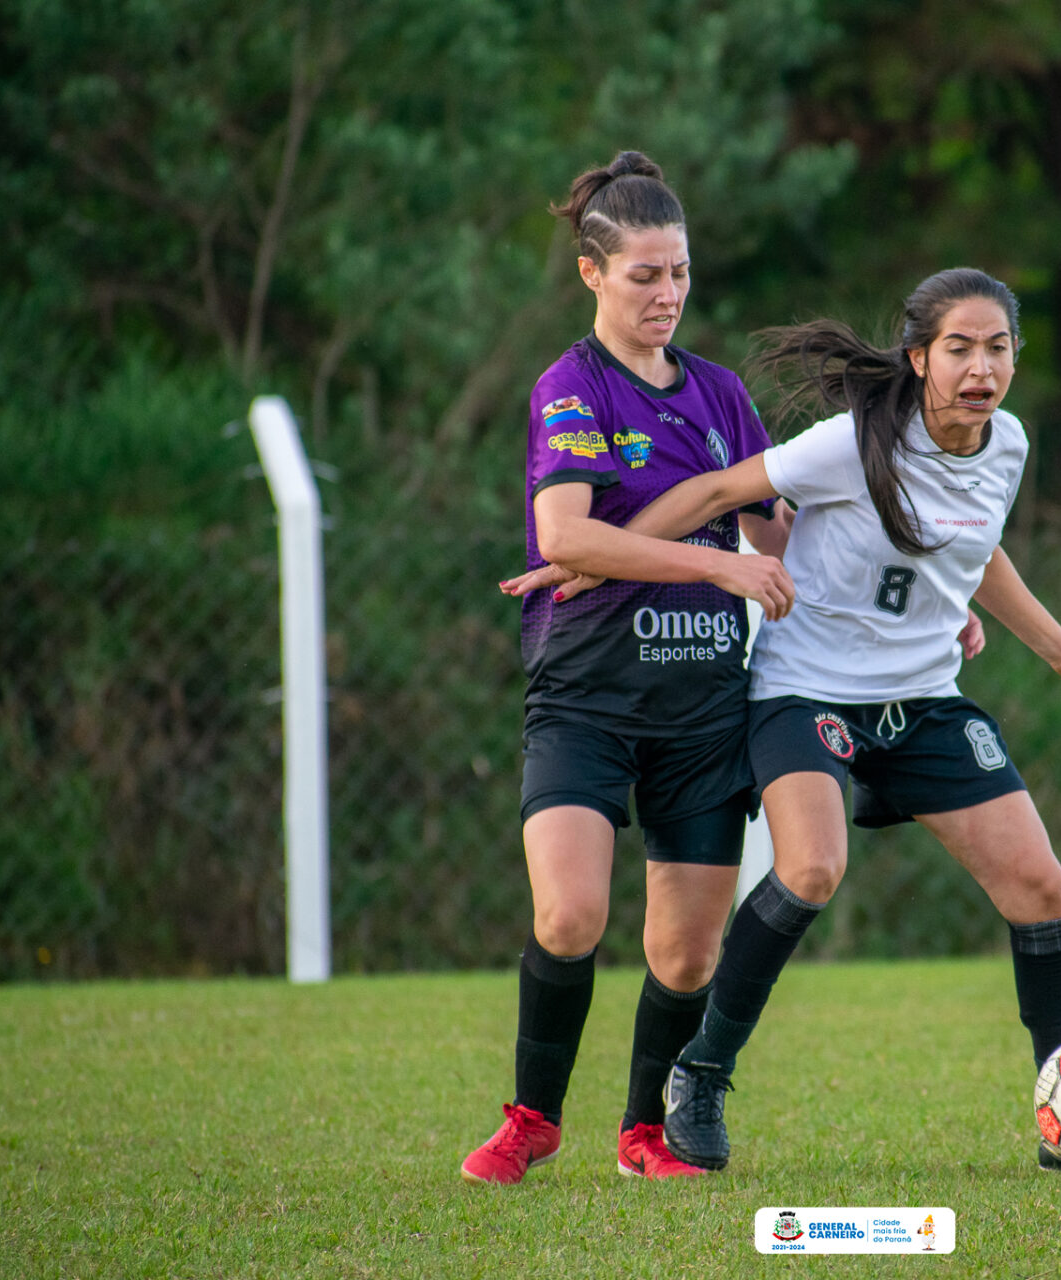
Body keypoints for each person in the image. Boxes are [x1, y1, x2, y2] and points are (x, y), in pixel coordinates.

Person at [536, 267, 1061, 1174]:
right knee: (813, 866)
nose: (980, 367)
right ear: (919, 359)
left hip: (924, 701)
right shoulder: (852, 440)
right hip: (805, 693)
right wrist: (610, 561)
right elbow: (720, 493)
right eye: (959, 348)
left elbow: (972, 551)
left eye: (997, 348)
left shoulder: (1009, 445)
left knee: (1041, 888)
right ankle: (700, 1075)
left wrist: (1058, 644)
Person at [459, 150, 798, 1184]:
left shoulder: (723, 395)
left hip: (704, 708)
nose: (668, 294)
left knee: (686, 954)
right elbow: (568, 539)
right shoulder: (572, 388)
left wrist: (927, 602)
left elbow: (778, 532)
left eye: (681, 272)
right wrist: (709, 558)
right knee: (568, 914)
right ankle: (531, 1118)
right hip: (588, 696)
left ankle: (643, 1130)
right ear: (592, 274)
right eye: (645, 274)